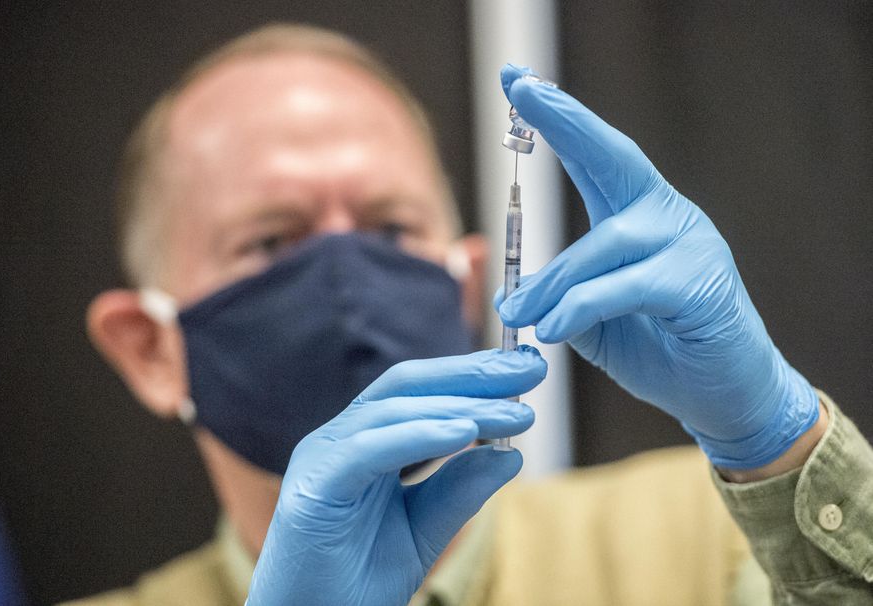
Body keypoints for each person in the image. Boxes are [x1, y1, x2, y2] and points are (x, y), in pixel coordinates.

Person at [74, 23, 872, 606]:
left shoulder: (709, 538)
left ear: (469, 287)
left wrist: (779, 448)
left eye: (393, 229)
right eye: (273, 242)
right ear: (148, 347)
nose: (347, 279)